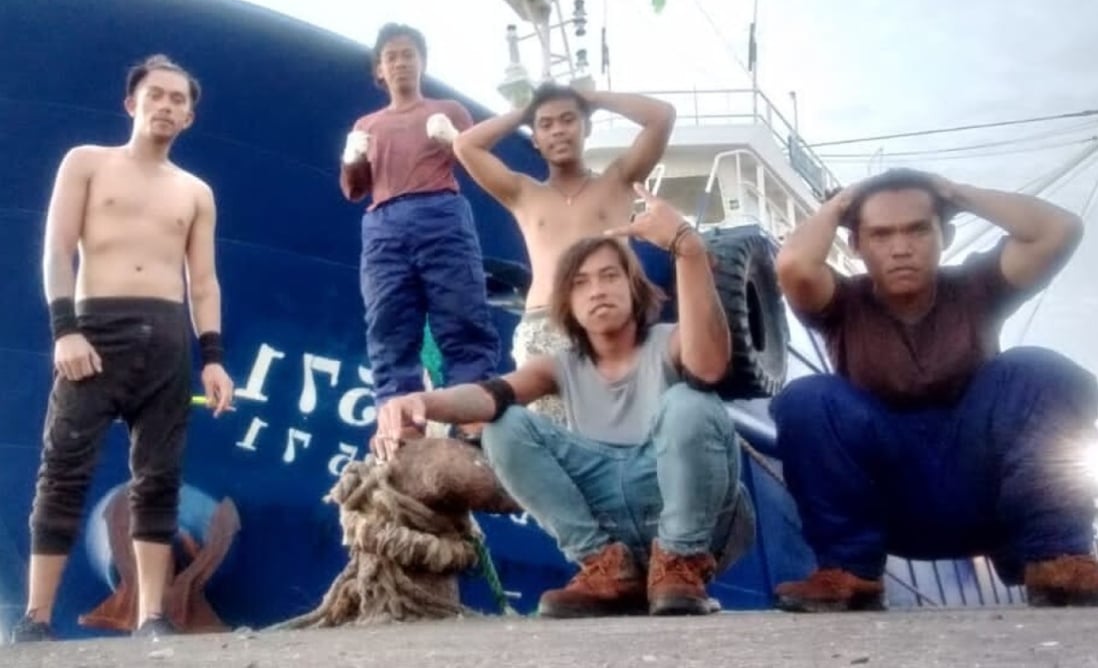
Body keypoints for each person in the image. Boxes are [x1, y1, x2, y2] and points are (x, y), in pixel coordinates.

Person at [372, 184, 755, 618]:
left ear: (634, 288)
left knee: (690, 401)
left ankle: (680, 563)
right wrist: (420, 401)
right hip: (613, 519)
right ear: (567, 305)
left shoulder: (670, 343)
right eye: (580, 283)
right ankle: (606, 567)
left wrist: (688, 250)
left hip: (698, 525)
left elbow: (708, 368)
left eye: (610, 276)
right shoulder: (559, 367)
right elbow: (489, 395)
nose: (597, 290)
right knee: (504, 425)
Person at [770, 167, 1098, 612]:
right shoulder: (842, 303)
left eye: (918, 230)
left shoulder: (977, 287)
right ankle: (848, 572)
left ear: (945, 235)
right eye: (881, 234)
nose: (901, 248)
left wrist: (958, 193)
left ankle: (1057, 558)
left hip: (986, 495)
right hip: (892, 503)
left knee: (1038, 370)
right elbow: (793, 265)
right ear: (857, 245)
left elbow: (1059, 230)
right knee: (807, 398)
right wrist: (842, 204)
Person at [9, 55, 235, 643]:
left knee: (158, 478)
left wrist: (213, 359)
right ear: (131, 104)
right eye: (156, 95)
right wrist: (65, 330)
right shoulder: (86, 162)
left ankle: (152, 616)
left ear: (189, 117)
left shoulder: (196, 192)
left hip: (166, 341)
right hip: (94, 331)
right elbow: (57, 250)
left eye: (178, 100)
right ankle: (36, 618)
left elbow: (203, 283)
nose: (166, 105)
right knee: (63, 469)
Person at [452, 83, 675, 424]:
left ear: (586, 127)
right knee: (549, 434)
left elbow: (662, 117)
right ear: (535, 139)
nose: (558, 130)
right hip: (544, 327)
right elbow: (465, 145)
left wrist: (594, 99)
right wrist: (525, 113)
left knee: (620, 426)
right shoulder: (522, 192)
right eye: (546, 124)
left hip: (610, 324)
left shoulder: (618, 180)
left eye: (568, 120)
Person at [339, 22, 500, 410]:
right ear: (379, 70)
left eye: (408, 55)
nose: (400, 63)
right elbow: (355, 190)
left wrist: (456, 141)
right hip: (384, 225)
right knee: (388, 324)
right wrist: (351, 158)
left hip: (440, 213)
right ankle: (399, 420)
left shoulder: (450, 110)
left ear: (422, 62)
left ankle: (472, 415)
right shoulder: (366, 125)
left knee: (461, 315)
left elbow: (481, 166)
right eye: (391, 57)